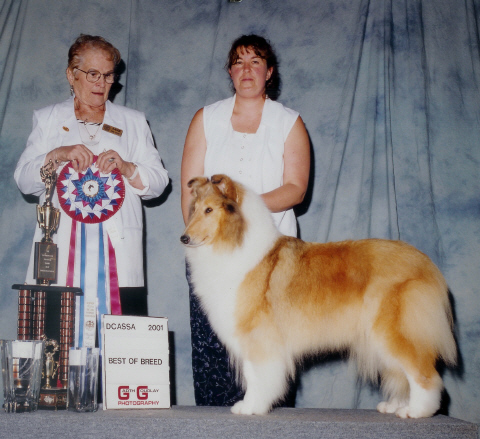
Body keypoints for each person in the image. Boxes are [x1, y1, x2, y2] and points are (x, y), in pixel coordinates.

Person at [15, 34, 169, 347]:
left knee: (120, 364)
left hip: (119, 262)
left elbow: (158, 183)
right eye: (93, 74)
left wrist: (127, 168)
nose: (102, 83)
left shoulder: (134, 122)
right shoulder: (48, 120)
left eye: (109, 75)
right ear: (71, 75)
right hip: (59, 261)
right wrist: (56, 154)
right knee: (54, 362)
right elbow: (24, 179)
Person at [181, 34, 310, 406]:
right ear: (230, 72)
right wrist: (204, 237)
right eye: (238, 62)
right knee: (215, 355)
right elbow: (191, 192)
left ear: (269, 72)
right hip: (213, 255)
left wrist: (238, 209)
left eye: (256, 61)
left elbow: (295, 189)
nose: (247, 69)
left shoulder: (289, 123)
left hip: (271, 255)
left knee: (269, 345)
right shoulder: (206, 118)